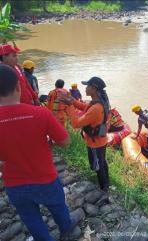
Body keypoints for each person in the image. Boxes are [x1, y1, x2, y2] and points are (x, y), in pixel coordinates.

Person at [0, 64, 80, 241]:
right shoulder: (40, 113)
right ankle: (66, 228)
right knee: (58, 206)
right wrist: (50, 141)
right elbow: (65, 141)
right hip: (45, 178)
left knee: (31, 219)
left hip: (14, 184)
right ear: (18, 87)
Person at [59, 77, 110, 192]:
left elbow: (75, 124)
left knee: (97, 166)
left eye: (87, 86)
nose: (85, 88)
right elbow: (84, 107)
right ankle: (107, 183)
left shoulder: (96, 108)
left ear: (94, 88)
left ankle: (104, 189)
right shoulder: (98, 102)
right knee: (101, 162)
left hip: (95, 144)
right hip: (100, 141)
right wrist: (73, 101)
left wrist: (69, 105)